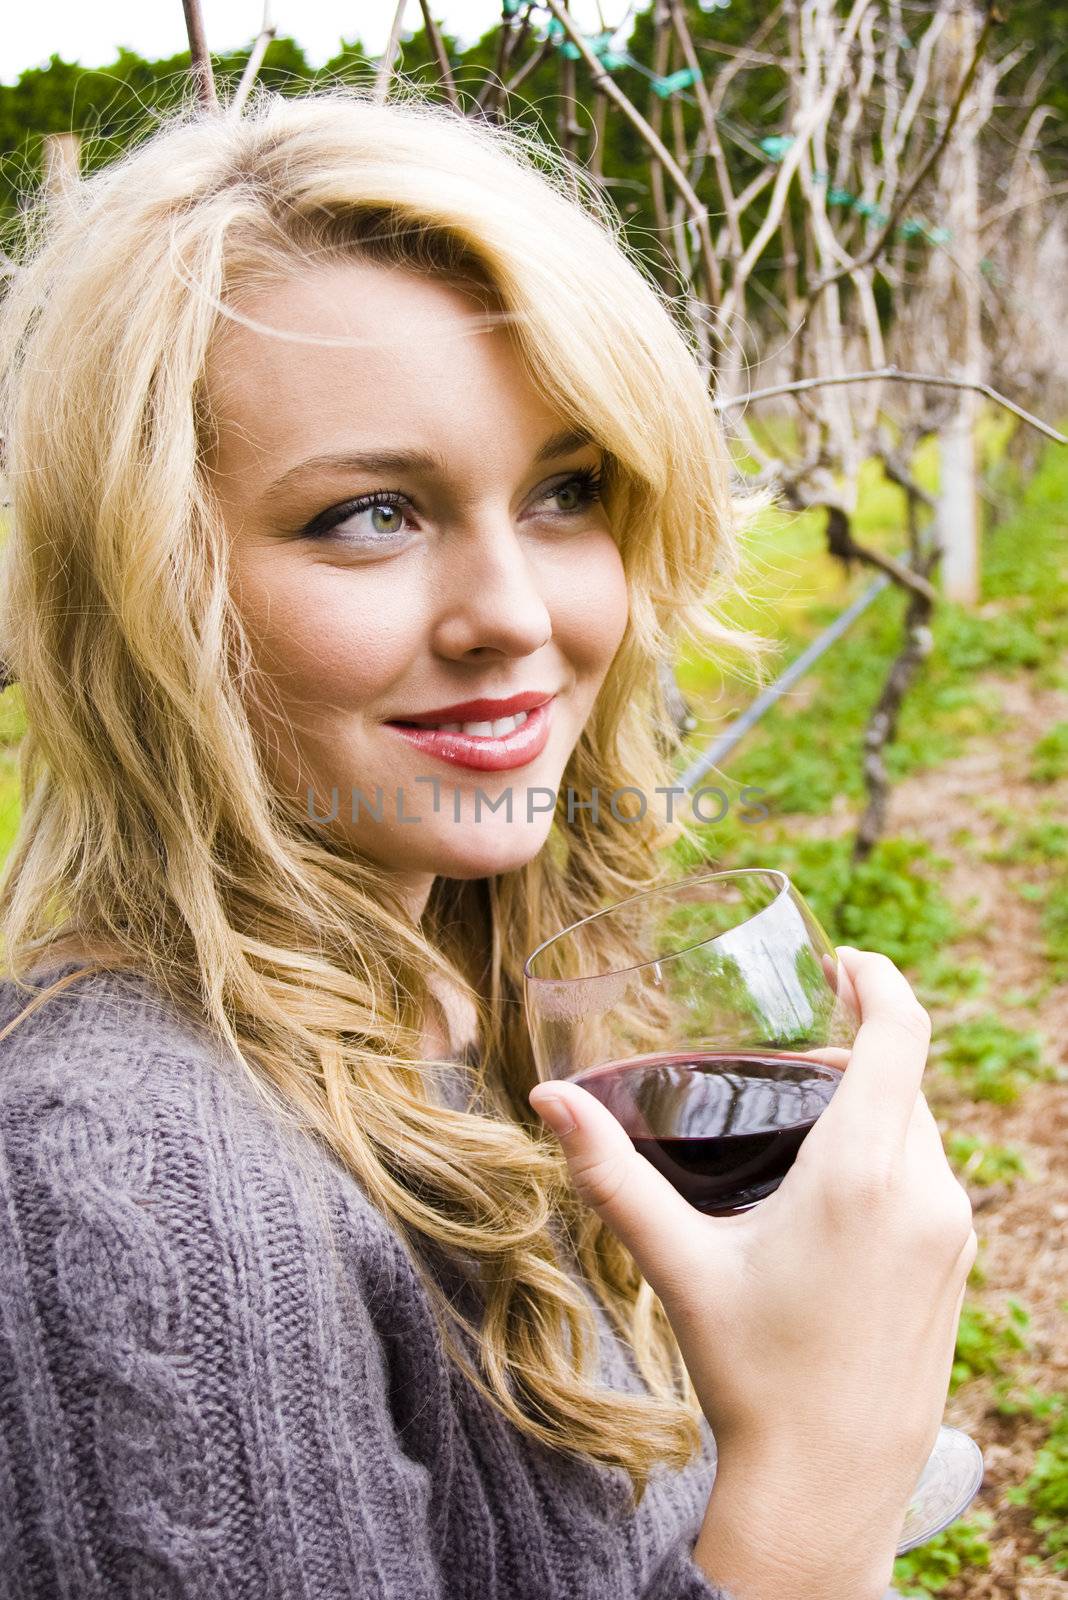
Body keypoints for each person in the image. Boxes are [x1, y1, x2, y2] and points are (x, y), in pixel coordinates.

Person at [0, 82, 975, 1600]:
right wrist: (821, 1481)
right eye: (370, 514)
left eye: (567, 491)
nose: (517, 616)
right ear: (143, 587)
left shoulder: (472, 981)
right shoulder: (136, 1181)